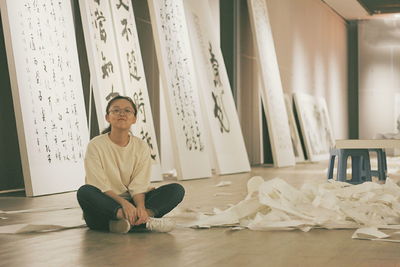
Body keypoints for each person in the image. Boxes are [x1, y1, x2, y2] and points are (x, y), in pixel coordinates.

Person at [77, 95, 185, 233]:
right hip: (107, 203)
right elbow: (98, 184)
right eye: (116, 110)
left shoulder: (141, 146)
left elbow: (139, 185)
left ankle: (129, 222)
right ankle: (140, 222)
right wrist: (124, 204)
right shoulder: (96, 145)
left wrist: (140, 207)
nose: (121, 113)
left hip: (133, 201)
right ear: (107, 117)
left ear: (134, 119)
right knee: (85, 192)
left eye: (127, 110)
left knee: (176, 190)